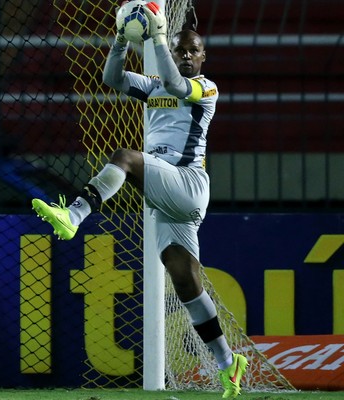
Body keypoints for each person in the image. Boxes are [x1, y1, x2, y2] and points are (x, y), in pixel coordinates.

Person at [32, 2, 247, 398]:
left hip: (186, 182)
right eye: (180, 48)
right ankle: (227, 360)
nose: (185, 54)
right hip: (165, 197)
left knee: (125, 158)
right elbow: (111, 78)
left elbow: (179, 86)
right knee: (184, 279)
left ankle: (75, 215)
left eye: (191, 50)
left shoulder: (206, 87)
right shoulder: (151, 86)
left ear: (202, 57)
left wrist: (160, 37)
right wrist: (119, 38)